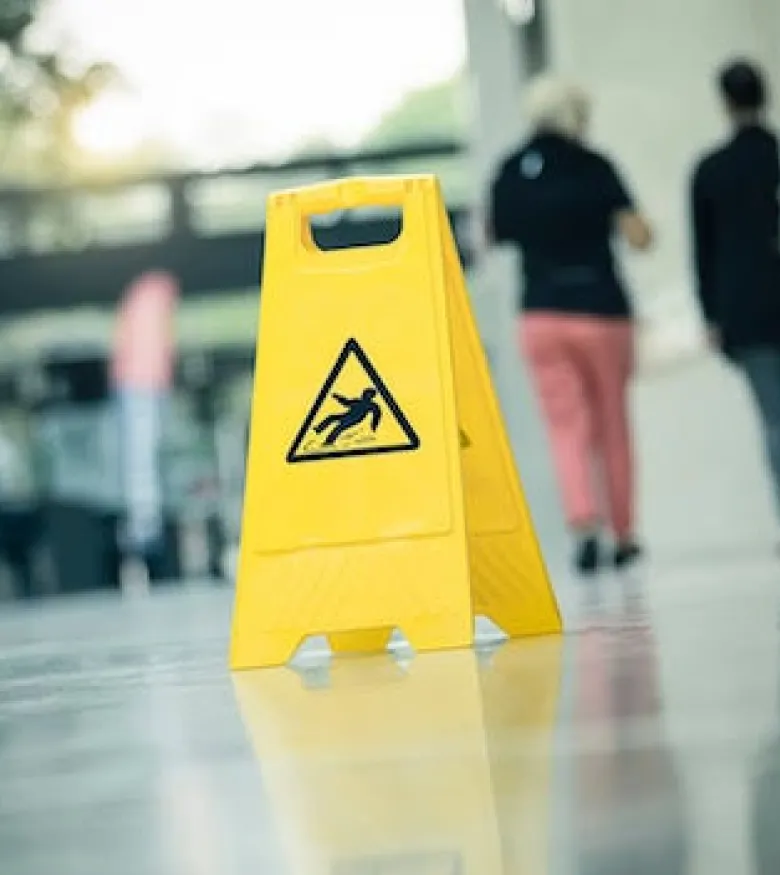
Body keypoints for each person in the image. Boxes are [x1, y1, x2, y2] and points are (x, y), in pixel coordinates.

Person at [487, 74, 653, 575]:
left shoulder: (511, 171)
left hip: (542, 314)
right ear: (576, 115)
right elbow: (637, 234)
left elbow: (495, 233)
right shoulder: (596, 166)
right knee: (611, 425)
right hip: (602, 311)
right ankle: (623, 534)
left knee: (566, 427)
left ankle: (583, 522)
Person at [690, 59, 780, 522]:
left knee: (774, 418)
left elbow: (703, 252)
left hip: (747, 312)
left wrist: (711, 316)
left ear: (724, 102)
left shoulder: (712, 171)